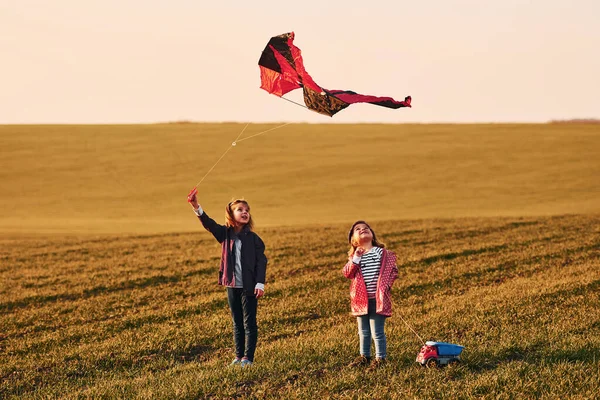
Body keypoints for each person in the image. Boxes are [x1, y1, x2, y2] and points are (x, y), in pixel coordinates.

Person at [187, 188, 267, 367]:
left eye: (247, 210)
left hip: (249, 286)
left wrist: (260, 283)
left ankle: (248, 358)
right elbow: (208, 223)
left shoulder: (255, 240)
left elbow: (261, 262)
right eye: (240, 210)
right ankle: (238, 357)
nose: (245, 212)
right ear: (230, 214)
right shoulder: (224, 234)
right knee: (237, 322)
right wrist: (195, 206)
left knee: (249, 323)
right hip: (231, 285)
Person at [343, 220, 398, 370]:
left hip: (377, 299)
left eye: (366, 228)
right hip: (361, 300)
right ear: (353, 241)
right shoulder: (355, 258)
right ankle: (364, 356)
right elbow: (347, 273)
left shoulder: (382, 253)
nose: (362, 230)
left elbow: (393, 271)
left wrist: (386, 285)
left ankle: (380, 358)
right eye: (358, 229)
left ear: (372, 235)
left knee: (377, 331)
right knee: (363, 331)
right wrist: (356, 258)